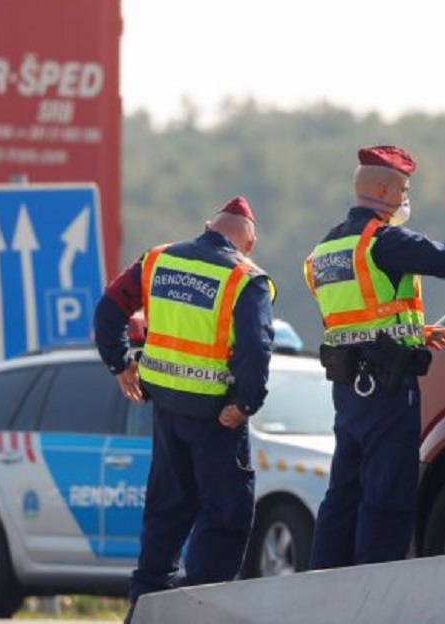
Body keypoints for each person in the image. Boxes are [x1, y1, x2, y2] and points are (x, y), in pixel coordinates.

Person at [303, 145, 445, 568]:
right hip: (387, 388)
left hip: (349, 389)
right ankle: (377, 590)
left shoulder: (324, 251)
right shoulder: (385, 242)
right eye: (403, 189)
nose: (406, 198)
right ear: (384, 190)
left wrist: (410, 332)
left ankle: (323, 587)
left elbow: (353, 316)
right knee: (388, 494)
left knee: (344, 493)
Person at [93, 196, 275, 616]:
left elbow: (109, 307)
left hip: (168, 414)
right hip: (218, 421)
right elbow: (255, 347)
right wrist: (246, 403)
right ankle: (202, 612)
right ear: (248, 242)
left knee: (166, 511)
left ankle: (145, 609)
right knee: (226, 516)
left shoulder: (158, 260)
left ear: (210, 224)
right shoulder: (245, 278)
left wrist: (119, 361)